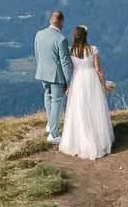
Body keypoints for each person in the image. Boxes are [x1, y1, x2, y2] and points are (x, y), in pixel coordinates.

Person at [58, 24, 115, 160]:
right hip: (91, 80)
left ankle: (79, 142)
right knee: (94, 108)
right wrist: (104, 85)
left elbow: (69, 69)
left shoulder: (71, 51)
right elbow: (99, 71)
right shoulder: (93, 50)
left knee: (79, 110)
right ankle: (98, 141)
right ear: (86, 36)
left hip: (77, 80)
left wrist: (68, 85)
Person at [34, 10, 74, 144]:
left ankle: (50, 125)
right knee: (57, 101)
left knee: (47, 96)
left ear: (50, 20)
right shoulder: (61, 39)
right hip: (56, 75)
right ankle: (54, 134)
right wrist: (69, 80)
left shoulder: (39, 34)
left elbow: (37, 54)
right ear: (61, 22)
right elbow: (65, 62)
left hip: (42, 72)